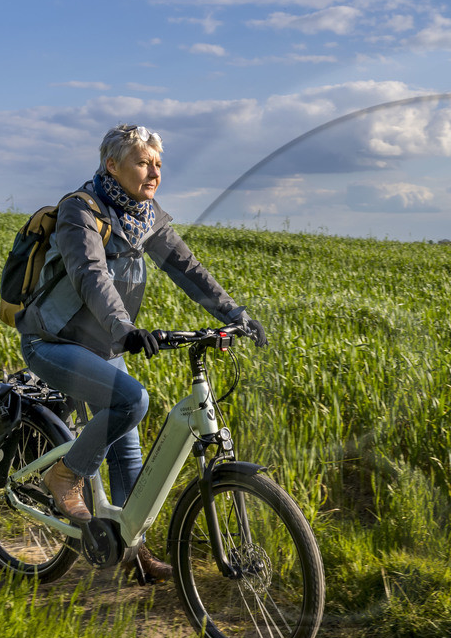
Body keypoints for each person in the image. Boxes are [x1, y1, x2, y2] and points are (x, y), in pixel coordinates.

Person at [16, 122, 266, 582]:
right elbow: (91, 274)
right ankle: (64, 477)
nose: (153, 173)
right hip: (51, 341)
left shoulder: (144, 216)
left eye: (158, 165)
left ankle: (132, 551)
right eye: (142, 163)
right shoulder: (80, 210)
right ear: (112, 165)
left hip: (103, 345)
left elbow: (187, 268)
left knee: (127, 451)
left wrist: (235, 313)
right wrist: (126, 329)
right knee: (132, 401)